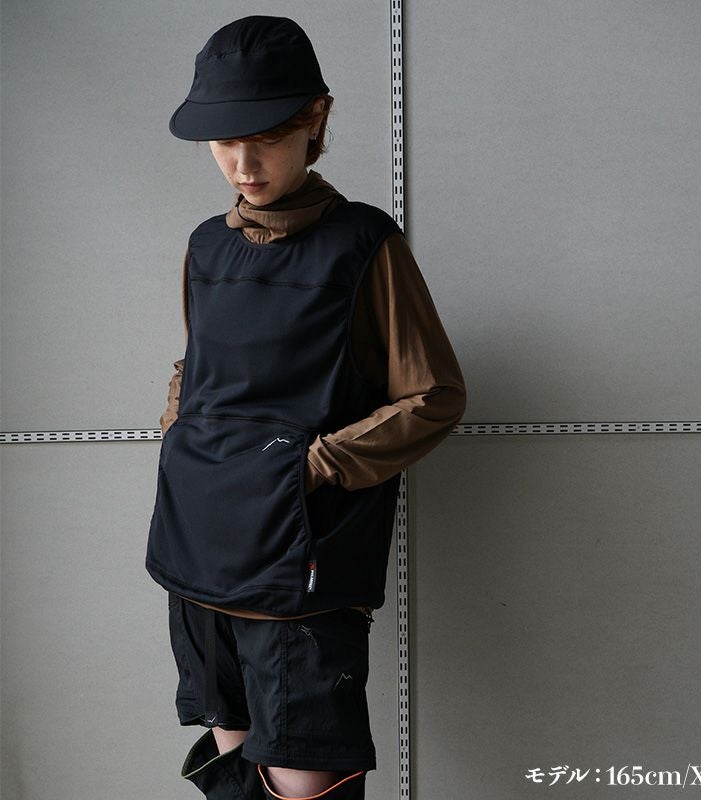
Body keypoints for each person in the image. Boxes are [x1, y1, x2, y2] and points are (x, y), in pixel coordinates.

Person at [146, 15, 466, 800]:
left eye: (266, 138)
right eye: (225, 142)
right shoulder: (206, 245)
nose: (243, 164)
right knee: (231, 775)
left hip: (302, 572)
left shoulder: (364, 245)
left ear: (315, 120)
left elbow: (433, 396)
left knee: (301, 786)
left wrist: (314, 466)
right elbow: (199, 366)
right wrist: (180, 433)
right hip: (196, 552)